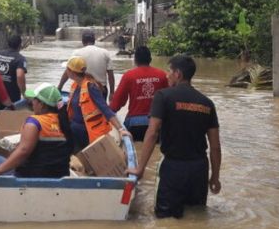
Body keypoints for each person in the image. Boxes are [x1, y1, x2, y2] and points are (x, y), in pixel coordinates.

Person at [127, 55, 222, 219]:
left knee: (165, 218)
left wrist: (140, 168)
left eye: (169, 71)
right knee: (196, 217)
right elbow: (215, 146)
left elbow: (152, 132)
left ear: (178, 74)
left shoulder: (163, 96)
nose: (166, 75)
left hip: (173, 168)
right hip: (199, 170)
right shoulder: (207, 103)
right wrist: (215, 177)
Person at [0, 83, 73, 182]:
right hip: (59, 177)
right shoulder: (63, 122)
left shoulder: (34, 122)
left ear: (42, 104)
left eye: (34, 100)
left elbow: (23, 151)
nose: (32, 103)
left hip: (31, 179)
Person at [62, 56, 129, 149]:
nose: (66, 72)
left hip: (88, 132)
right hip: (75, 130)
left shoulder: (91, 87)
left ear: (71, 72)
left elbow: (105, 109)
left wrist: (120, 129)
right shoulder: (75, 85)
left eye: (67, 69)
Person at [109, 46, 169, 140]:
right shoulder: (162, 75)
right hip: (157, 123)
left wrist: (108, 112)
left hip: (134, 123)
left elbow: (117, 102)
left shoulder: (129, 76)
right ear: (150, 59)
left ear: (135, 60)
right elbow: (169, 100)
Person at [58, 30, 114, 98]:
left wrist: (59, 87)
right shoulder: (105, 53)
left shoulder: (76, 53)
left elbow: (67, 72)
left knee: (82, 108)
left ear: (82, 41)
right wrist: (112, 92)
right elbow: (110, 75)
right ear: (94, 41)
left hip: (82, 89)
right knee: (100, 107)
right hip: (101, 89)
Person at [0, 34, 28, 103]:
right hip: (12, 96)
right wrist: (24, 94)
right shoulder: (20, 59)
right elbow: (20, 75)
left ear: (8, 43)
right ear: (20, 45)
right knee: (10, 113)